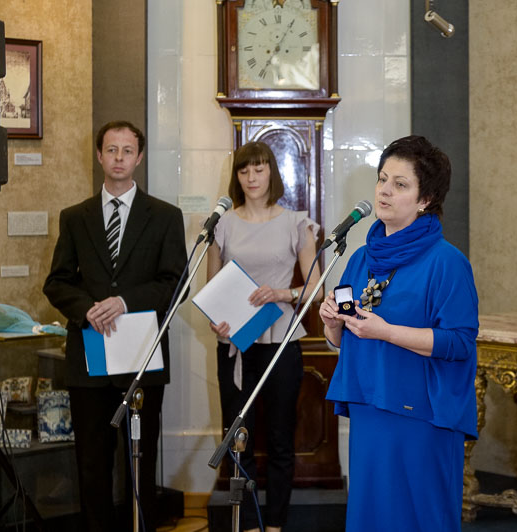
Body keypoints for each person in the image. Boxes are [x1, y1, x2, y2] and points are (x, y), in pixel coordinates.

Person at [319, 135, 479, 531]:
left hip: (420, 417)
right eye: (382, 179)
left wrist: (388, 332)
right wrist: (332, 323)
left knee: (417, 519)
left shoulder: (447, 263)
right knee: (372, 517)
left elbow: (460, 342)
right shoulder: (361, 258)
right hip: (369, 407)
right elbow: (344, 339)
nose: (384, 191)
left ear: (426, 199)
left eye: (400, 184)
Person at [43, 121, 187, 531]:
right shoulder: (75, 217)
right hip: (89, 356)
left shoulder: (165, 216)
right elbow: (57, 282)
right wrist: (86, 308)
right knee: (92, 463)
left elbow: (176, 283)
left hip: (141, 357)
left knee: (139, 461)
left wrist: (124, 302)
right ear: (99, 156)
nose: (119, 158)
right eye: (111, 150)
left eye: (127, 150)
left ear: (139, 157)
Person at [207, 141, 321, 532]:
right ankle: (249, 524)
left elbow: (316, 289)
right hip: (236, 343)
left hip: (281, 341)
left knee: (279, 436)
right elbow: (212, 290)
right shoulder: (222, 224)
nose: (252, 177)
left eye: (259, 169)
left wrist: (281, 293)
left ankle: (274, 524)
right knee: (238, 436)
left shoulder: (296, 222)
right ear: (236, 177)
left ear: (272, 171)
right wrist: (216, 321)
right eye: (244, 171)